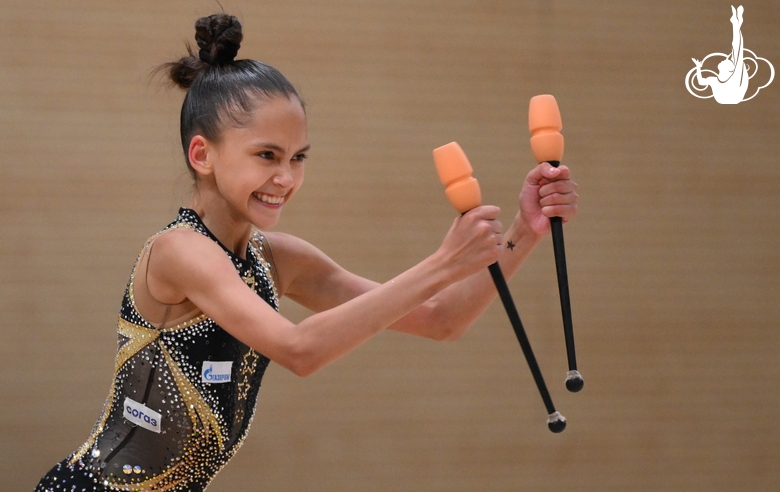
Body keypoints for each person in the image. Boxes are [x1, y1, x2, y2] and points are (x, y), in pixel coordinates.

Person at [34, 13, 578, 492]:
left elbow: (441, 319)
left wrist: (524, 232)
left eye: (298, 158)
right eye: (266, 155)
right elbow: (299, 350)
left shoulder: (278, 260)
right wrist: (442, 262)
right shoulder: (180, 252)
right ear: (202, 154)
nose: (285, 177)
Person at [692, 5, 748, 104]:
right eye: (728, 60)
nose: (724, 59)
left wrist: (698, 68)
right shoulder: (715, 80)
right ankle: (736, 24)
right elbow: (701, 82)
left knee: (737, 51)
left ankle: (736, 24)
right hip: (730, 97)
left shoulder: (732, 77)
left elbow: (737, 49)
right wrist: (698, 67)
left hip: (732, 96)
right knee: (737, 52)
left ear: (729, 69)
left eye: (727, 61)